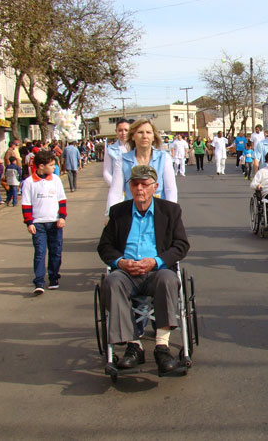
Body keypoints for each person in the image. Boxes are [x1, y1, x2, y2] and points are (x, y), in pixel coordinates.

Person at [98, 165, 190, 376]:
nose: (140, 189)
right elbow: (105, 246)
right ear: (129, 187)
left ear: (155, 187)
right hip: (126, 273)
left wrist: (156, 261)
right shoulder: (118, 212)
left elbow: (181, 245)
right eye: (135, 184)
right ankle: (134, 346)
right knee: (111, 282)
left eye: (144, 184)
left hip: (157, 271)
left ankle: (162, 347)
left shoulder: (170, 211)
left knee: (168, 279)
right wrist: (121, 262)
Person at [107, 119, 177, 213]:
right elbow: (115, 192)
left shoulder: (164, 158)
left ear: (153, 137)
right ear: (132, 136)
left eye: (148, 132)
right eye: (140, 132)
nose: (144, 136)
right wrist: (110, 214)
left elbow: (170, 190)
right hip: (131, 214)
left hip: (159, 213)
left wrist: (171, 214)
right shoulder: (122, 160)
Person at [21, 150, 67, 294]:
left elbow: (62, 200)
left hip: (55, 222)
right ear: (41, 166)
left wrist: (62, 217)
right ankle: (39, 282)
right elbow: (26, 204)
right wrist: (29, 222)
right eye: (51, 165)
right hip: (38, 224)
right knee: (40, 252)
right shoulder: (29, 182)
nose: (54, 167)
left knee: (56, 252)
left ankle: (53, 277)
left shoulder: (55, 179)